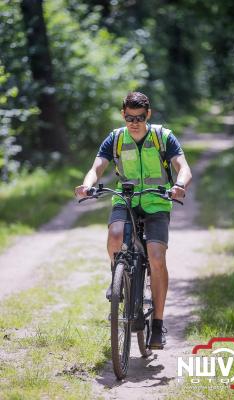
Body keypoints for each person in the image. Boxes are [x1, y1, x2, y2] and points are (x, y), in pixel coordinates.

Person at [75, 92, 192, 349]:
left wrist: (179, 185)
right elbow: (97, 168)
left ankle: (158, 326)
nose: (134, 122)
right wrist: (87, 186)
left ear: (148, 114)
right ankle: (117, 277)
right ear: (123, 114)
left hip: (156, 202)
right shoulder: (116, 138)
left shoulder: (163, 137)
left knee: (157, 257)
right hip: (125, 200)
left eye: (139, 117)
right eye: (129, 117)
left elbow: (183, 167)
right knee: (116, 235)